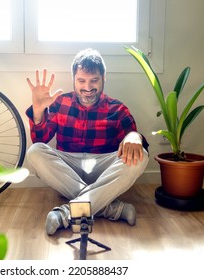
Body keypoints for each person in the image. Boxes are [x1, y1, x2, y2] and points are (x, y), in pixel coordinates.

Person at [25, 48, 149, 235]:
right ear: (73, 79)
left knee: (141, 156)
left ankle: (67, 212)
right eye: (81, 81)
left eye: (94, 81)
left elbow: (133, 144)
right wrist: (38, 111)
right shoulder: (60, 103)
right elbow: (40, 139)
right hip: (68, 168)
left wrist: (135, 136)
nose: (88, 87)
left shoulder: (118, 109)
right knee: (34, 151)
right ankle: (109, 207)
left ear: (103, 78)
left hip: (102, 169)